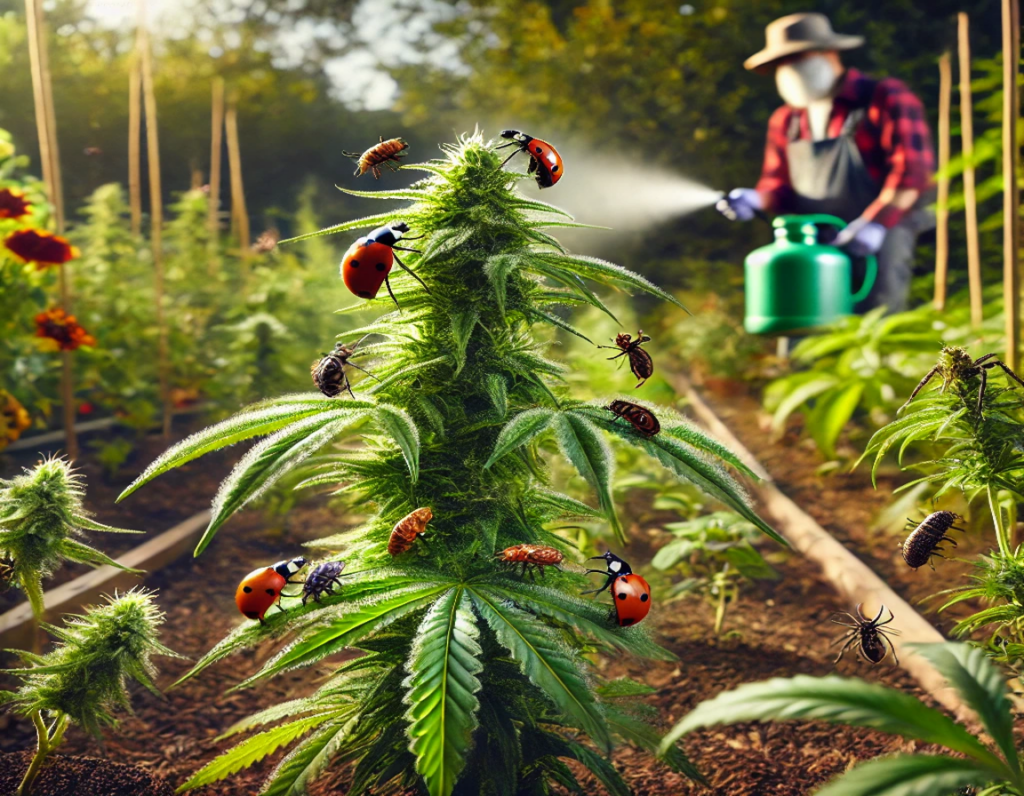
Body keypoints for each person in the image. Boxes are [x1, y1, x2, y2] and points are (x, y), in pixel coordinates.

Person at [718, 13, 935, 314]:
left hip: (884, 231)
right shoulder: (786, 120)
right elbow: (777, 185)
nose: (789, 69)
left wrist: (874, 224)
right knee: (802, 318)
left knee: (879, 317)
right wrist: (756, 198)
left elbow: (913, 174)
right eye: (782, 63)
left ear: (828, 52)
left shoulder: (881, 97)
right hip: (815, 239)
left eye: (797, 58)